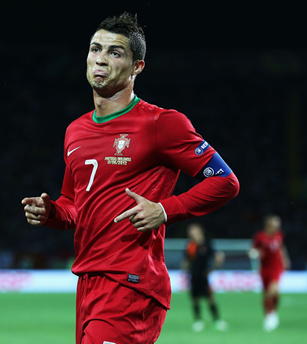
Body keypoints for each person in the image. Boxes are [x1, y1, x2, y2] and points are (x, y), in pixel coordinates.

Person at [21, 12, 239, 344]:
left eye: (115, 52)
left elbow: (225, 181)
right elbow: (73, 206)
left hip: (131, 282)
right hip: (88, 281)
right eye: (96, 49)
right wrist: (51, 212)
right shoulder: (75, 131)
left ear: (137, 67)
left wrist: (165, 210)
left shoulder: (162, 124)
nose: (101, 59)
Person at [182, 222, 228, 332]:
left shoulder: (207, 244)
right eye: (190, 231)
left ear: (199, 231)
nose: (191, 233)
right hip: (193, 276)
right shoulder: (190, 245)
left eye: (193, 230)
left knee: (210, 299)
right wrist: (185, 272)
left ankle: (217, 321)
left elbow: (217, 257)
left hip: (204, 276)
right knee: (195, 300)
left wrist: (214, 267)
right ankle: (198, 321)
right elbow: (186, 261)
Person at [248, 214, 290, 332]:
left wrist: (285, 259)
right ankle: (268, 315)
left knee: (273, 290)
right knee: (267, 293)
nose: (277, 227)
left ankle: (272, 314)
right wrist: (255, 253)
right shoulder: (260, 237)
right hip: (264, 268)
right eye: (275, 225)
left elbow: (281, 248)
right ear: (268, 225)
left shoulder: (279, 236)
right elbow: (252, 249)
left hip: (276, 267)